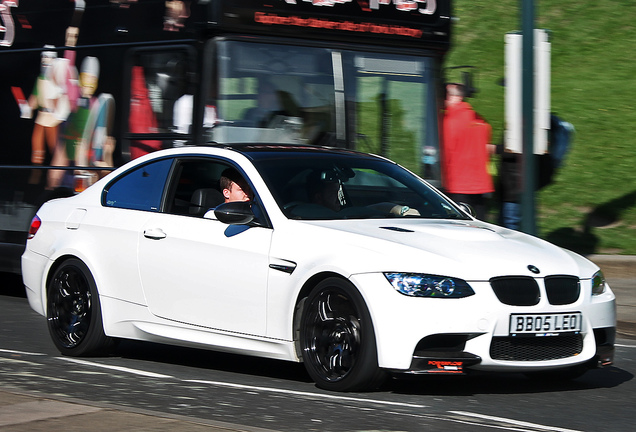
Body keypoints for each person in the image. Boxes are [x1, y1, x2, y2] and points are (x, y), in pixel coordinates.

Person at [441, 83, 495, 220]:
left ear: (453, 97)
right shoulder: (480, 120)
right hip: (481, 185)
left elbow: (445, 154)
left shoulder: (448, 121)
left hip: (457, 185)